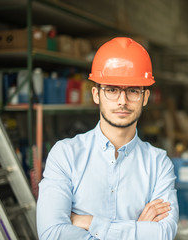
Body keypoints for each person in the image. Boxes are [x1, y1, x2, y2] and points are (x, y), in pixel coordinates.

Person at [37, 37, 179, 239]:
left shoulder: (159, 164)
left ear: (145, 97)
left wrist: (89, 222)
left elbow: (163, 234)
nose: (122, 101)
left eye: (133, 91)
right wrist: (137, 230)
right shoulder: (65, 154)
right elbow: (52, 233)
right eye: (112, 90)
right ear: (96, 94)